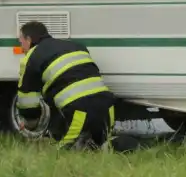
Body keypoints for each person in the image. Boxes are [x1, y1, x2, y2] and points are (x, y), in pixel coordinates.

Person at [14, 21, 118, 151]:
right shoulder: (76, 46)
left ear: (28, 39)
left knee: (63, 153)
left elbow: (27, 99)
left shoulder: (32, 56)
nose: (21, 47)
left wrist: (30, 124)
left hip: (79, 110)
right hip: (107, 108)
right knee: (104, 147)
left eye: (21, 42)